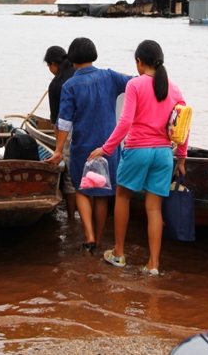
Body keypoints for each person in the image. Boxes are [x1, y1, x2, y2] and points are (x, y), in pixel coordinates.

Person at [88, 40, 189, 276]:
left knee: (122, 197)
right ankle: (153, 264)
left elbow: (125, 122)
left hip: (137, 150)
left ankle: (119, 253)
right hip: (164, 154)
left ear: (140, 63)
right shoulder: (174, 88)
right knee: (154, 209)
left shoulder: (135, 85)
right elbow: (183, 124)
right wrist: (182, 157)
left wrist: (107, 148)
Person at [45, 38, 130, 254]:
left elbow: (64, 122)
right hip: (108, 146)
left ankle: (88, 235)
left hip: (83, 146)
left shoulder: (70, 85)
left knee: (82, 189)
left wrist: (58, 151)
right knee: (101, 192)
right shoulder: (110, 76)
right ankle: (99, 241)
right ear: (93, 54)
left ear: (72, 59)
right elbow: (135, 84)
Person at [43, 45, 77, 219]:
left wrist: (59, 149)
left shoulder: (56, 84)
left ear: (53, 63)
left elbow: (57, 122)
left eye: (49, 66)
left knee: (70, 179)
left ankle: (71, 217)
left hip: (70, 134)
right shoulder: (79, 72)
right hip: (89, 130)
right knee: (90, 174)